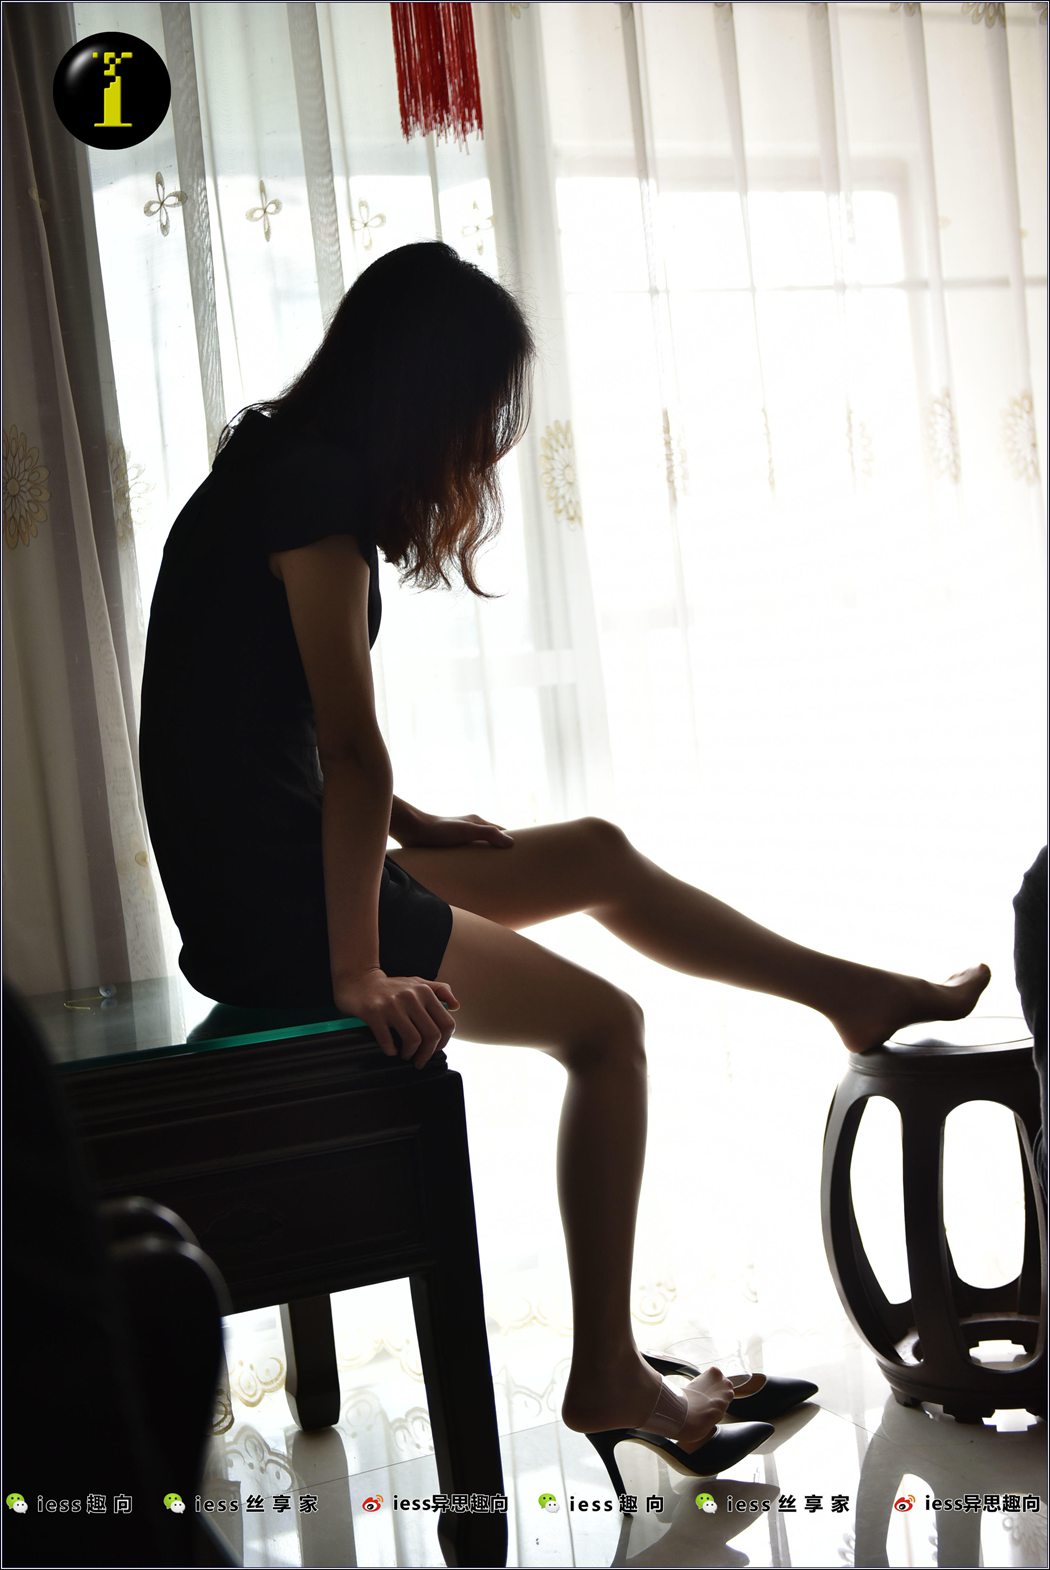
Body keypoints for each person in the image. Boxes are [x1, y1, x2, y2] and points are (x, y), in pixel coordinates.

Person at [139, 240, 990, 1484]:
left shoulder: (272, 466)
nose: (481, 449)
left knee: (595, 854)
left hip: (267, 876)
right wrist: (360, 972)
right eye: (479, 412)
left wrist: (416, 823)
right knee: (606, 1030)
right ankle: (606, 1371)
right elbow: (347, 748)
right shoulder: (313, 494)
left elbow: (251, 720)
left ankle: (848, 993)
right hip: (286, 905)